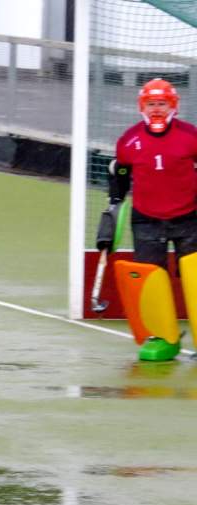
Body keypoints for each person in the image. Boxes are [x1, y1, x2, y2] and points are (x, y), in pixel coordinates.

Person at [99, 78, 197, 359]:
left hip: (188, 217)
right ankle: (163, 338)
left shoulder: (191, 136)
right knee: (151, 278)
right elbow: (119, 172)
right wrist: (114, 203)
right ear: (142, 106)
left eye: (162, 104)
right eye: (151, 104)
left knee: (195, 275)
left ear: (173, 106)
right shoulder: (129, 141)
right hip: (146, 219)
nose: (156, 110)